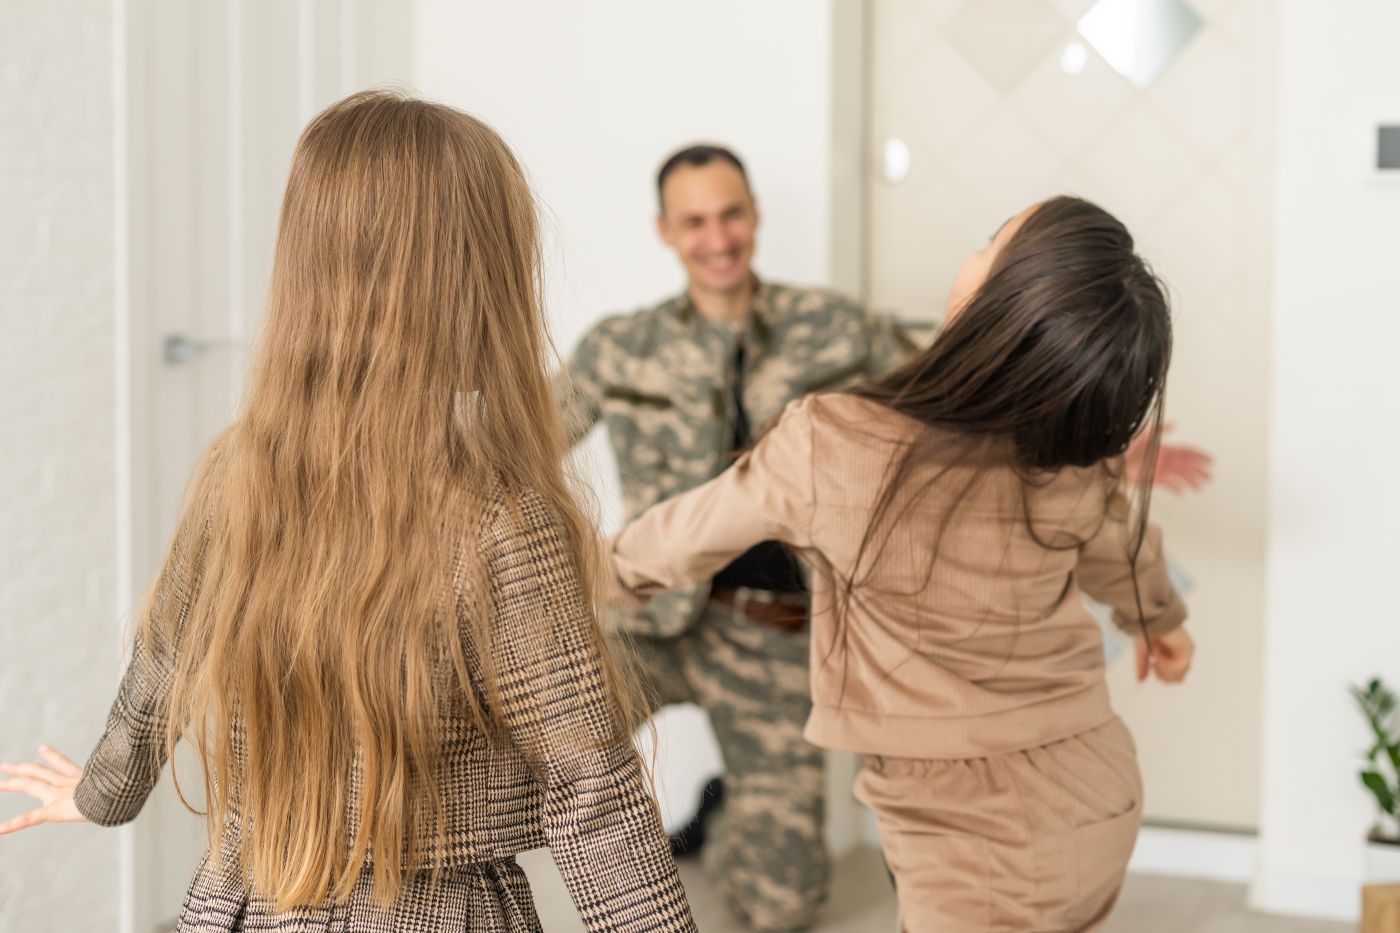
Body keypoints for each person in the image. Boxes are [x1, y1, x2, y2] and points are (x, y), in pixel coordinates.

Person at [0, 91, 694, 933]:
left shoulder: (236, 472)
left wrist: (104, 789)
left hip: (244, 902)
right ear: (477, 281)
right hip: (435, 912)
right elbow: (593, 790)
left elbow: (160, 665)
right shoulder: (500, 520)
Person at [607, 196, 1196, 931]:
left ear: (995, 303)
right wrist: (1163, 624)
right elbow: (1128, 556)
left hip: (972, 835)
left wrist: (588, 572)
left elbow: (672, 541)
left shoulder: (834, 441)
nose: (970, 255)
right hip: (1100, 783)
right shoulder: (1069, 457)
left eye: (990, 243)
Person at [557, 144, 913, 930]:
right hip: (645, 625)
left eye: (730, 215)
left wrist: (1082, 437)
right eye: (695, 221)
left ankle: (726, 822)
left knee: (783, 906)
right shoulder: (620, 345)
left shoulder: (838, 328)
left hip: (774, 633)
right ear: (665, 231)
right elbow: (516, 449)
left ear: (753, 214)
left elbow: (947, 402)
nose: (717, 238)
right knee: (521, 749)